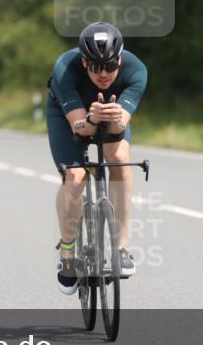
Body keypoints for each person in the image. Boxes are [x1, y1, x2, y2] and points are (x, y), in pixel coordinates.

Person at [46, 22, 147, 294]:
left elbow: (118, 128)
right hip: (69, 116)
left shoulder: (136, 71)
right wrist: (92, 119)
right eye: (94, 66)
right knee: (75, 175)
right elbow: (80, 128)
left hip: (110, 116)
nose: (103, 74)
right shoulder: (65, 68)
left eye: (110, 66)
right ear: (84, 62)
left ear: (120, 60)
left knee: (120, 160)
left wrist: (112, 119)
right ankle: (68, 253)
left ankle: (121, 248)